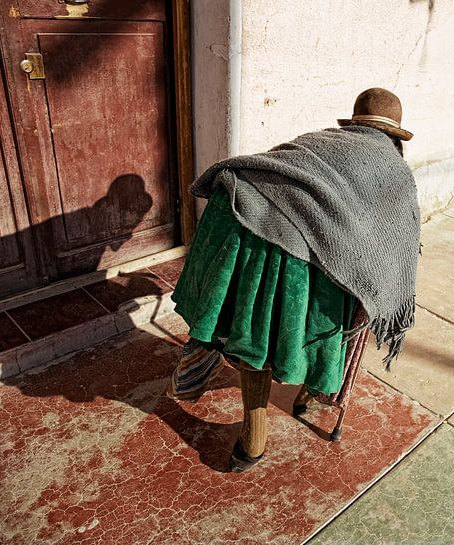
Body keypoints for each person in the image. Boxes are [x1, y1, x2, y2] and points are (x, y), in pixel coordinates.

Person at [166, 88, 420, 472]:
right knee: (346, 280)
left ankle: (254, 435)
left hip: (238, 212)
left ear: (353, 123)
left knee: (251, 330)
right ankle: (307, 394)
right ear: (396, 135)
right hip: (283, 239)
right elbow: (390, 246)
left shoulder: (320, 140)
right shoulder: (394, 168)